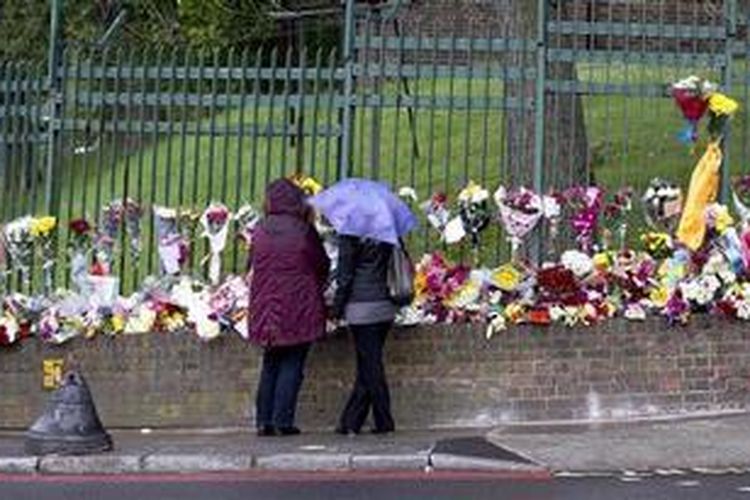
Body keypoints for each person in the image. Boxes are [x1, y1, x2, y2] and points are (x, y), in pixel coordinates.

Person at [249, 179, 330, 437]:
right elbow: (321, 264)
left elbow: (251, 263)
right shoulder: (303, 231)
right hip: (298, 304)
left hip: (266, 306)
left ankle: (264, 420)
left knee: (271, 362)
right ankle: (283, 420)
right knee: (293, 362)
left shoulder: (260, 229)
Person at [333, 235, 397, 435]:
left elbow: (344, 277)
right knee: (368, 364)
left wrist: (336, 309)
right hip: (386, 305)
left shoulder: (350, 234)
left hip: (360, 307)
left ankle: (384, 419)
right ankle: (352, 420)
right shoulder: (387, 229)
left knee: (370, 365)